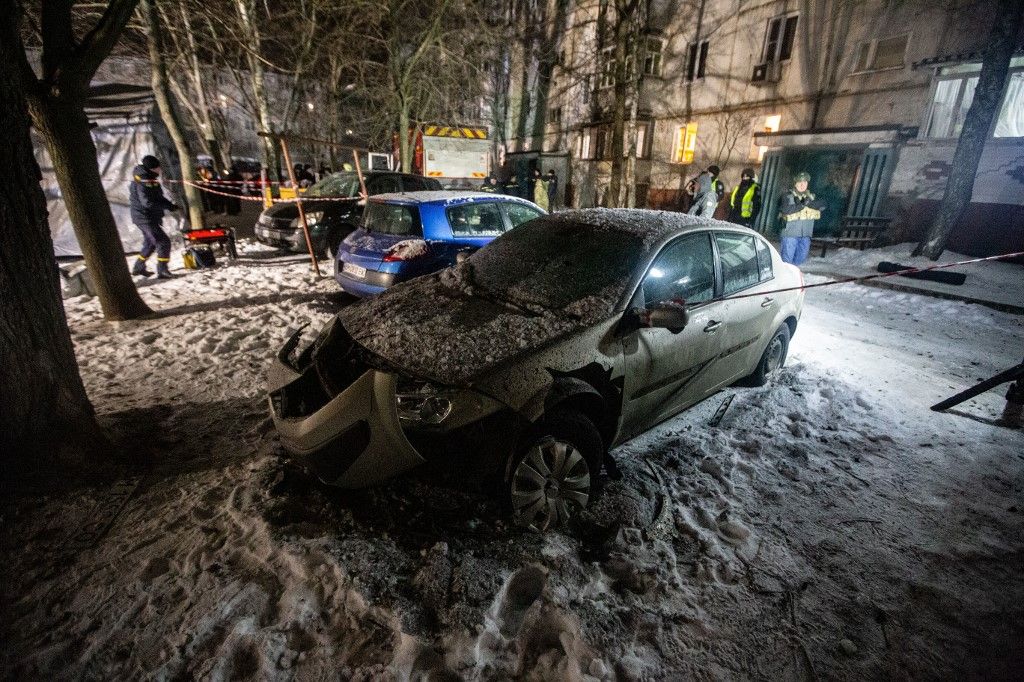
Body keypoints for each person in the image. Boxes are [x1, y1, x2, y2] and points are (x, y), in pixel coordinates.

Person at [129, 154, 178, 279]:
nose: (160, 169)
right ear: (152, 168)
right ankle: (162, 270)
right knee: (163, 242)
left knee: (150, 243)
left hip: (149, 217)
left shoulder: (150, 179)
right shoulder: (143, 181)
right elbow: (147, 202)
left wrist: (170, 205)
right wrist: (164, 207)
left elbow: (158, 197)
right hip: (144, 217)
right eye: (158, 167)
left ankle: (138, 267)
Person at [779, 171, 826, 266]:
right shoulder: (787, 195)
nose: (802, 185)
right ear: (795, 183)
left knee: (800, 260)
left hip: (805, 235)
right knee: (787, 263)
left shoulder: (811, 196)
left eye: (804, 182)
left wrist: (809, 203)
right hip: (790, 234)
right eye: (800, 182)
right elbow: (786, 210)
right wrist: (802, 205)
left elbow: (823, 205)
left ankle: (794, 278)